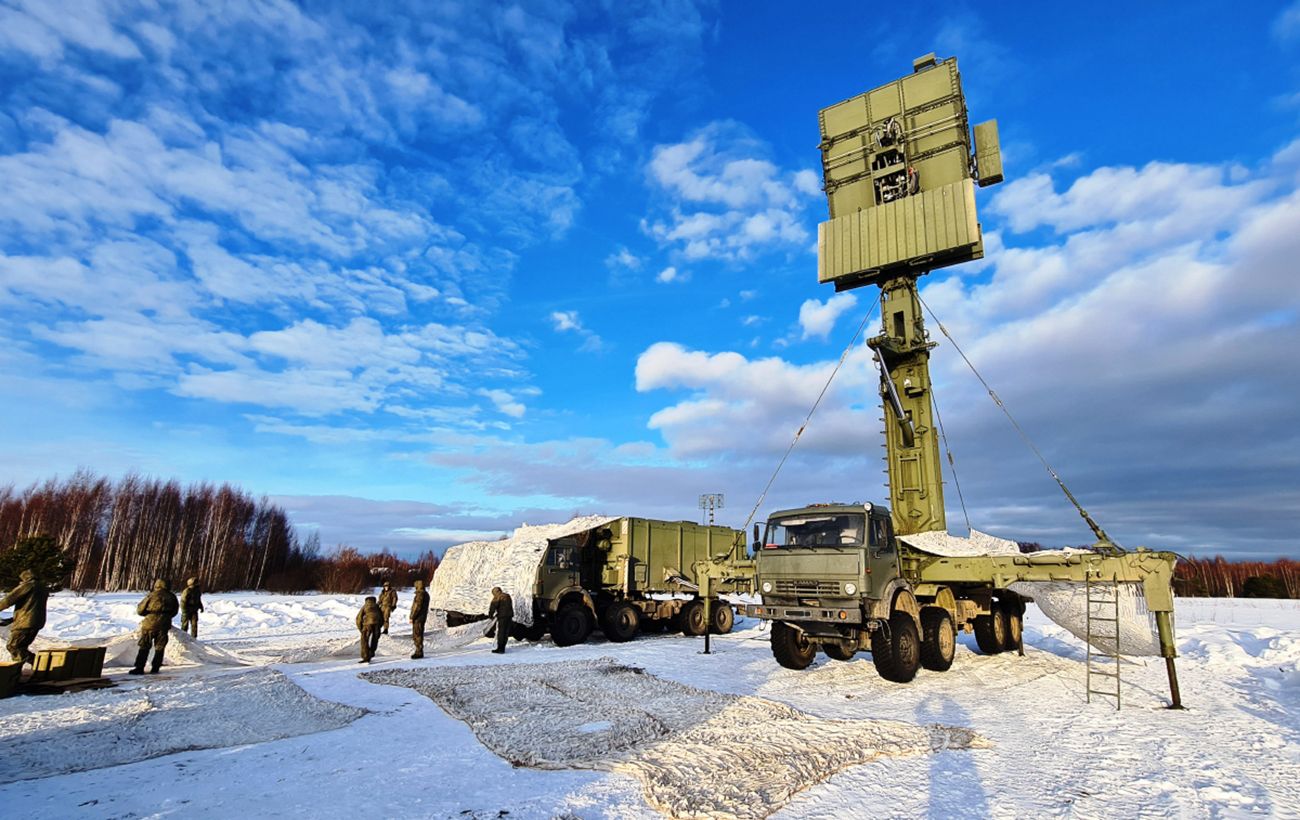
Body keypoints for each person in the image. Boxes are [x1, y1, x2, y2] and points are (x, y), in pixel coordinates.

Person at [0, 569, 48, 666]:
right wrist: (12, 619)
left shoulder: (28, 585)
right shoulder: (42, 588)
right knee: (21, 647)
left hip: (25, 623)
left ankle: (20, 670)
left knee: (13, 647)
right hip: (36, 622)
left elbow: (8, 600)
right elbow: (31, 607)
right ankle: (40, 666)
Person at [131, 579, 179, 675]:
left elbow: (140, 610)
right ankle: (155, 667)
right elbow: (175, 611)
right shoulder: (172, 596)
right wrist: (166, 616)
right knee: (160, 646)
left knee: (144, 645)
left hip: (149, 623)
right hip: (164, 624)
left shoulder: (151, 595)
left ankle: (139, 667)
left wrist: (149, 614)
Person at [356, 596, 383, 663]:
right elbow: (382, 618)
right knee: (375, 639)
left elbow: (358, 618)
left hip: (367, 625)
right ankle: (372, 652)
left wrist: (361, 629)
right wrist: (379, 626)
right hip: (377, 624)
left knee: (364, 640)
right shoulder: (377, 607)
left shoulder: (365, 606)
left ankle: (366, 657)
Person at [487, 587, 513, 654]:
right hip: (509, 616)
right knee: (506, 633)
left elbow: (493, 607)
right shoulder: (507, 596)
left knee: (501, 633)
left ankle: (500, 649)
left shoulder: (497, 597)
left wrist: (490, 615)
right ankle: (503, 648)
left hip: (502, 617)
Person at [409, 579, 429, 659]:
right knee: (419, 634)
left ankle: (419, 652)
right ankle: (419, 650)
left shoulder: (420, 594)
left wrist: (412, 617)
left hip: (418, 618)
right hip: (422, 616)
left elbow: (417, 607)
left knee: (417, 634)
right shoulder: (426, 594)